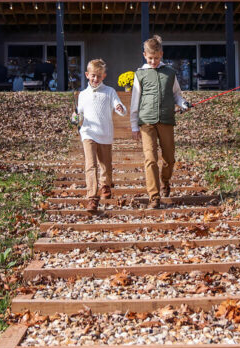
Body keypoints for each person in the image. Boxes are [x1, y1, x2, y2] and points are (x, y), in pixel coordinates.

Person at [130, 35, 191, 209]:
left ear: (161, 55)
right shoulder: (140, 74)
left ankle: (165, 181)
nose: (154, 61)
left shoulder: (170, 73)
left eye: (156, 58)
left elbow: (176, 94)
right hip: (146, 122)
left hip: (166, 119)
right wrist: (134, 125)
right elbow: (135, 101)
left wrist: (183, 103)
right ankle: (154, 197)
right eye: (150, 58)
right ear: (144, 55)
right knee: (150, 159)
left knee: (169, 159)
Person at [74, 59, 127, 214]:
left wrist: (119, 107)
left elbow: (121, 109)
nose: (95, 79)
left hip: (105, 133)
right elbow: (79, 115)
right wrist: (75, 118)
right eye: (92, 76)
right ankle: (92, 197)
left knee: (105, 164)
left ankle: (105, 185)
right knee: (91, 165)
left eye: (98, 76)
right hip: (88, 132)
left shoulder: (109, 91)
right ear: (87, 75)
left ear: (103, 75)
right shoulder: (83, 95)